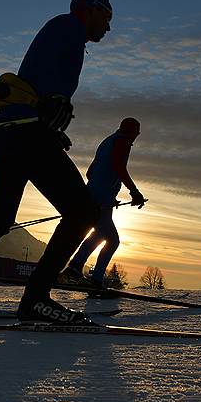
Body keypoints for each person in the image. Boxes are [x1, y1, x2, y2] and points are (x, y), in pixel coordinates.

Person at [0, 0, 113, 323]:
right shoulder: (69, 27)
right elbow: (46, 71)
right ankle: (35, 299)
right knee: (83, 212)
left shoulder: (64, 30)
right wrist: (48, 102)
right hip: (27, 133)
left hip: (11, 130)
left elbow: (37, 74)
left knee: (1, 217)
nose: (108, 27)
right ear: (89, 10)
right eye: (106, 18)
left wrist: (47, 120)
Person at [61, 117, 146, 287]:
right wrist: (134, 191)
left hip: (96, 197)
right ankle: (91, 277)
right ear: (133, 133)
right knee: (112, 240)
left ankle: (78, 268)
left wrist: (106, 194)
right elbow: (118, 167)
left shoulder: (108, 141)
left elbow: (90, 172)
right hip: (101, 199)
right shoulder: (122, 142)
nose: (137, 136)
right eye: (137, 133)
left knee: (100, 234)